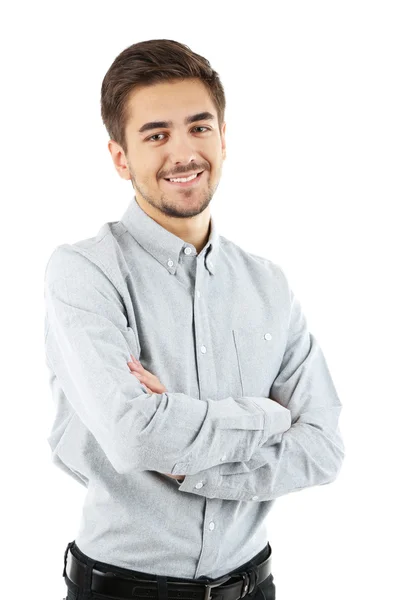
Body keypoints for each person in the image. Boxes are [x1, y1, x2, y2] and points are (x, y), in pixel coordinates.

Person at [43, 38, 345, 600]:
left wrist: (186, 459)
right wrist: (267, 417)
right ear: (120, 157)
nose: (183, 153)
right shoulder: (84, 273)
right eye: (156, 135)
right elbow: (134, 439)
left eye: (199, 127)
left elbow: (324, 448)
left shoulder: (269, 284)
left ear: (224, 139)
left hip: (253, 585)